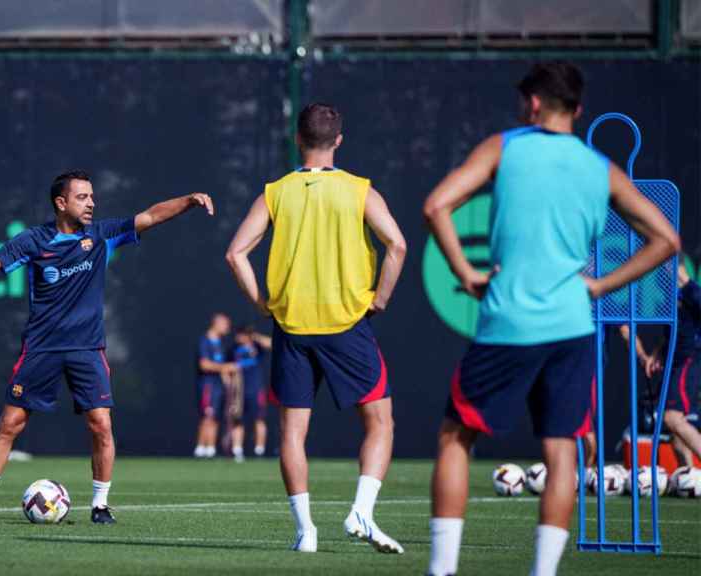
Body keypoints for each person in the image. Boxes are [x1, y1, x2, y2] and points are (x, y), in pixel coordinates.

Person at [423, 62, 680, 576]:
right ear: (578, 110)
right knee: (562, 449)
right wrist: (603, 286)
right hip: (571, 327)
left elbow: (437, 205)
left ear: (533, 104)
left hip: (508, 323)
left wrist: (466, 271)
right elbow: (666, 241)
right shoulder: (599, 167)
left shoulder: (505, 147)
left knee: (457, 437)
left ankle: (442, 570)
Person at [0, 170, 214, 524]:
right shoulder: (34, 240)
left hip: (87, 349)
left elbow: (150, 216)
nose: (91, 203)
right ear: (61, 203)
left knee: (100, 425)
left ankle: (100, 505)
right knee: (10, 423)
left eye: (92, 197)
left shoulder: (101, 235)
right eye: (82, 197)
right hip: (41, 348)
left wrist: (188, 201)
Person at [226, 102, 408, 554]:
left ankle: (305, 531)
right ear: (339, 141)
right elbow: (398, 245)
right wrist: (380, 299)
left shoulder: (277, 191)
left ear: (297, 139)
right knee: (380, 421)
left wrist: (261, 304)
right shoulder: (359, 190)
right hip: (347, 322)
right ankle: (361, 511)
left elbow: (235, 254)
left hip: (292, 326)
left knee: (291, 433)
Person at [631, 262, 701, 467]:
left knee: (672, 418)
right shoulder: (670, 295)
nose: (661, 271)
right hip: (674, 361)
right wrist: (656, 354)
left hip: (690, 360)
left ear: (677, 268)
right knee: (671, 424)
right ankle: (688, 474)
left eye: (666, 266)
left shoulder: (692, 292)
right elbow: (671, 333)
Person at [194, 313, 239, 458]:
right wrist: (225, 367)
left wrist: (227, 378)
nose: (228, 328)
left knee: (215, 418)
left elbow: (223, 367)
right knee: (207, 416)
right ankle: (201, 449)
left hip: (219, 387)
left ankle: (211, 449)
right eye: (225, 324)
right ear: (216, 323)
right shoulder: (204, 341)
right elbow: (204, 364)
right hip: (207, 385)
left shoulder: (221, 343)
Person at [229, 325, 272, 460]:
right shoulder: (233, 349)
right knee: (237, 419)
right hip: (239, 391)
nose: (239, 337)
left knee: (259, 419)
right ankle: (237, 451)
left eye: (242, 334)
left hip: (256, 388)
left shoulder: (257, 347)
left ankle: (259, 450)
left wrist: (255, 336)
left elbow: (272, 344)